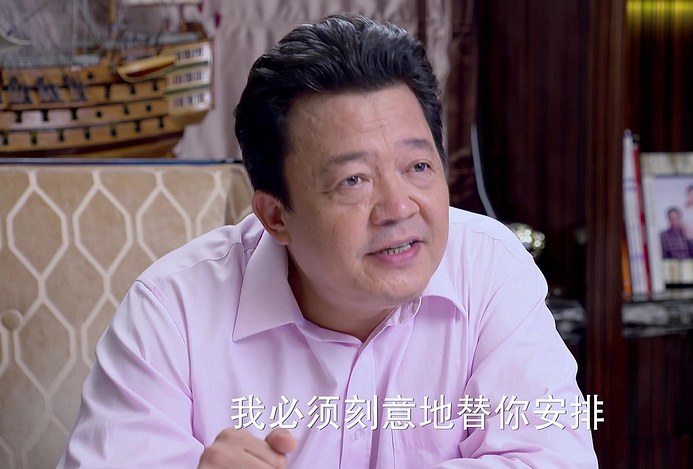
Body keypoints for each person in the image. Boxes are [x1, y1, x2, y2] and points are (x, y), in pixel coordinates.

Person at [59, 14, 598, 468]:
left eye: (417, 166)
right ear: (275, 216)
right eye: (353, 181)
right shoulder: (173, 310)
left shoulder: (490, 268)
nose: (399, 208)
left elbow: (551, 457)